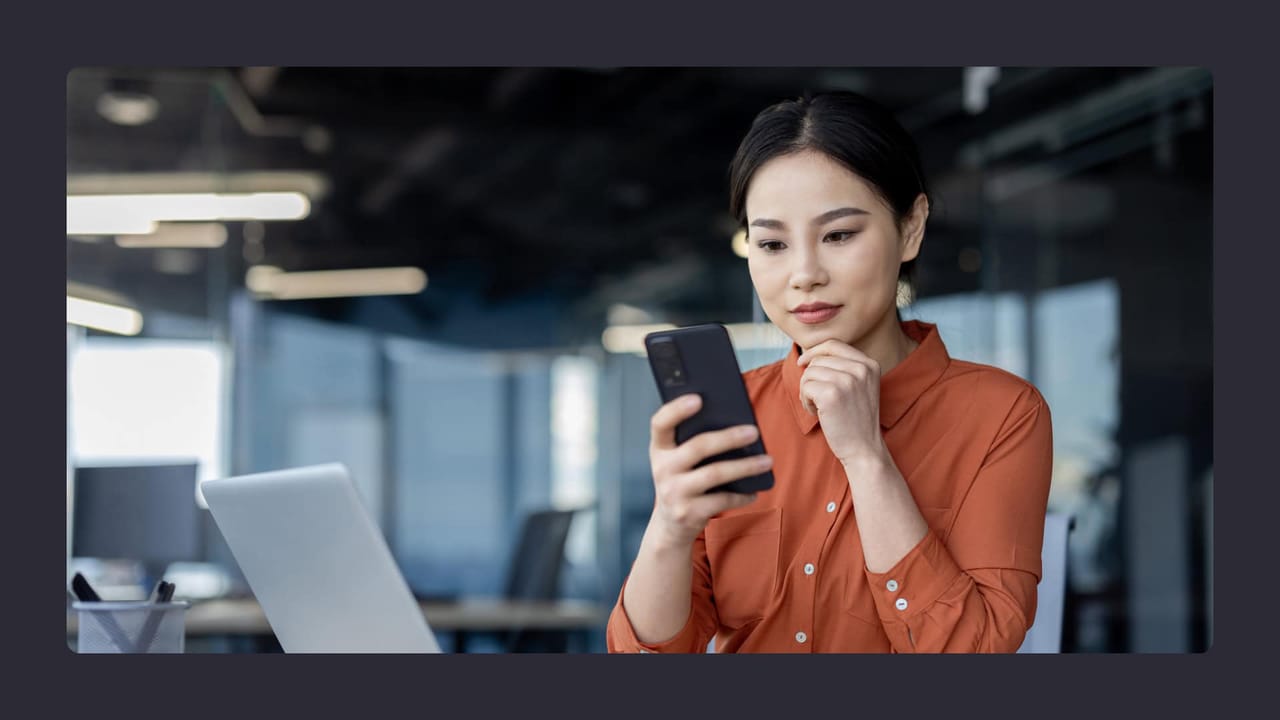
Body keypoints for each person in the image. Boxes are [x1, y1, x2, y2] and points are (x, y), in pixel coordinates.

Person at [605, 90, 1054, 653]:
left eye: (839, 235)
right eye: (771, 243)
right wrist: (669, 529)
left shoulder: (1001, 414)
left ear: (911, 227)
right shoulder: (733, 414)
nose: (804, 274)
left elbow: (973, 650)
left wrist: (867, 458)